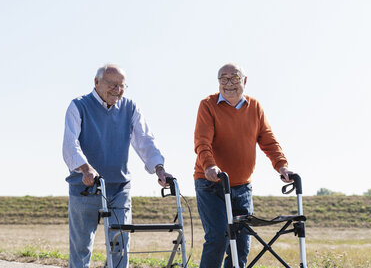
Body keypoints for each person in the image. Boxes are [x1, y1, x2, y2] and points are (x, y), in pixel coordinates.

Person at [62, 64, 172, 268]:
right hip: (85, 187)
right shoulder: (78, 106)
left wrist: (159, 168)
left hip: (119, 187)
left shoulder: (130, 108)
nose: (117, 90)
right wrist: (85, 168)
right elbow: (70, 144)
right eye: (112, 84)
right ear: (96, 82)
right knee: (81, 247)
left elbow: (145, 140)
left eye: (121, 86)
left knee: (120, 245)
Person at [193, 63, 295, 268]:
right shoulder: (208, 104)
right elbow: (202, 141)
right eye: (223, 78)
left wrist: (282, 166)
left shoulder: (255, 107)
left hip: (242, 187)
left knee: (241, 242)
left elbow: (268, 141)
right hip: (211, 183)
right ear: (218, 82)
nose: (229, 83)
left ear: (244, 81)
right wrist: (210, 166)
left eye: (235, 78)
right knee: (219, 237)